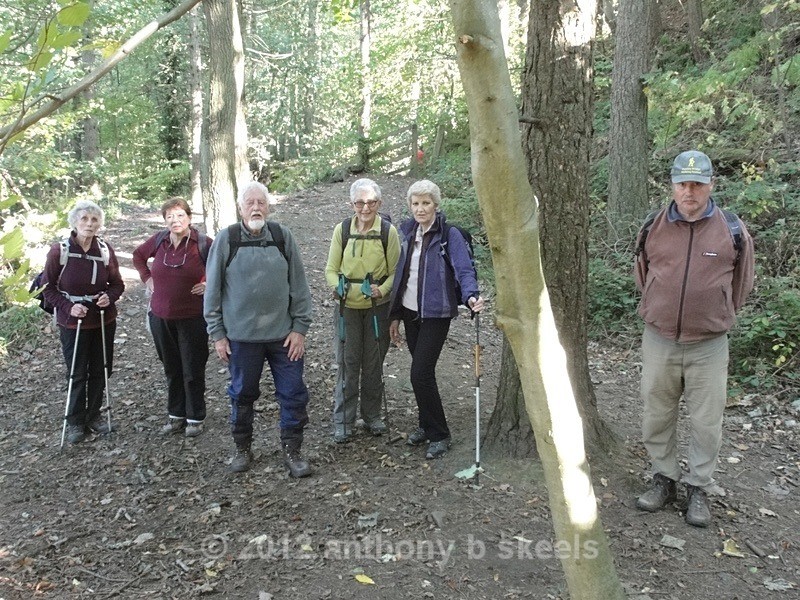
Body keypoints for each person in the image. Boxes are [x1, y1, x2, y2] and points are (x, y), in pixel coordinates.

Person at [634, 150, 755, 527]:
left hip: (709, 345)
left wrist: (715, 313)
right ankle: (664, 478)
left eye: (697, 184)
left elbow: (742, 283)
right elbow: (642, 273)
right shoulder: (653, 226)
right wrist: (660, 308)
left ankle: (698, 487)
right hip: (659, 340)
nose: (690, 191)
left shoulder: (731, 229)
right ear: (672, 186)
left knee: (707, 421)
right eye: (683, 184)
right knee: (657, 413)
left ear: (710, 186)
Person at [204, 181, 314, 476]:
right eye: (250, 203)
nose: (256, 207)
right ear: (240, 208)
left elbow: (299, 286)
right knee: (242, 394)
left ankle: (293, 452)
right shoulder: (226, 240)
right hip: (241, 339)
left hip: (284, 337)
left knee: (293, 394)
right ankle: (242, 449)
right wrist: (217, 334)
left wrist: (300, 328)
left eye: (261, 203)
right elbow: (212, 291)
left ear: (269, 206)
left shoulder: (282, 236)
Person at [388, 180, 485, 459]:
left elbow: (464, 269)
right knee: (422, 374)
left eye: (426, 203)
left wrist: (471, 296)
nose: (421, 208)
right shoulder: (407, 232)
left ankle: (440, 434)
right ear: (410, 206)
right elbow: (400, 276)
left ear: (435, 205)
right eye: (416, 203)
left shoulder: (449, 234)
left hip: (436, 312)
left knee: (419, 373)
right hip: (409, 310)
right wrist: (394, 314)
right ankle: (425, 425)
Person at [42, 200, 125, 444]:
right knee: (77, 372)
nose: (89, 224)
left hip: (102, 319)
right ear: (75, 222)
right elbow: (47, 289)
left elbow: (117, 284)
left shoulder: (104, 249)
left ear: (100, 223)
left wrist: (108, 297)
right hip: (73, 322)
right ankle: (75, 422)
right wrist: (69, 306)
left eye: (94, 220)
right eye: (84, 219)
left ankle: (94, 416)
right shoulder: (60, 250)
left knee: (101, 368)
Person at [324, 179, 400, 443]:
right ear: (352, 204)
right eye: (359, 202)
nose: (365, 208)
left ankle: (372, 416)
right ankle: (343, 421)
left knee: (373, 363)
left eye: (371, 203)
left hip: (377, 308)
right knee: (347, 363)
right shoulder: (342, 230)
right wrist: (338, 287)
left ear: (379, 203)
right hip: (347, 309)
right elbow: (331, 269)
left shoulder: (388, 232)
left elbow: (395, 273)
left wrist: (383, 290)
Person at [133, 197, 213, 438]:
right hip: (160, 316)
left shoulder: (203, 243)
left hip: (193, 317)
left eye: (180, 215)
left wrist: (208, 283)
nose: (175, 220)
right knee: (171, 367)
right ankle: (176, 415)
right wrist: (147, 278)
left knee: (192, 367)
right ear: (164, 220)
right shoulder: (159, 241)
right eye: (169, 216)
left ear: (189, 217)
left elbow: (221, 267)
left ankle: (195, 417)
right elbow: (137, 256)